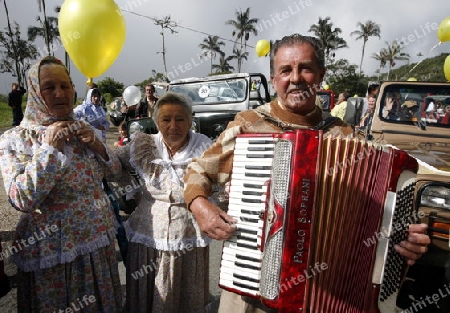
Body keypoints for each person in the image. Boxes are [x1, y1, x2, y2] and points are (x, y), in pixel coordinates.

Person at [183, 34, 431, 313]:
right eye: (286, 70)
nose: (296, 78)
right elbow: (198, 170)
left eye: (306, 68)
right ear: (274, 79)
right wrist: (200, 205)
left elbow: (377, 216)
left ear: (321, 75)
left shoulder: (347, 137)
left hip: (325, 296)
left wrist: (402, 242)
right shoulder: (249, 124)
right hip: (252, 288)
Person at [0, 56, 123, 311]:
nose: (60, 93)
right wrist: (50, 149)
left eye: (65, 86)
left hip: (95, 242)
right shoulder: (16, 139)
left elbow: (114, 174)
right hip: (52, 250)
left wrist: (98, 145)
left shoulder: (82, 129)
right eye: (49, 87)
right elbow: (22, 199)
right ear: (35, 91)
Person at [115, 92, 213, 312]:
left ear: (190, 121)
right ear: (156, 121)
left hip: (188, 239)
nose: (173, 125)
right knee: (147, 295)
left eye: (180, 119)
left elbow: (224, 179)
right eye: (165, 119)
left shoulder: (204, 147)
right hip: (147, 238)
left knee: (184, 295)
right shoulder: (144, 144)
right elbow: (112, 164)